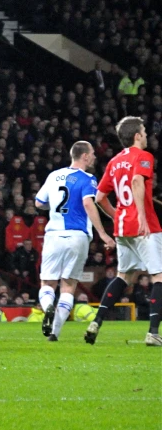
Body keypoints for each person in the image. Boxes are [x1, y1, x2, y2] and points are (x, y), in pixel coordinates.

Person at [89, 117, 162, 346]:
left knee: (125, 275)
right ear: (137, 136)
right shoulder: (143, 156)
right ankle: (152, 332)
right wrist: (140, 214)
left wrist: (117, 215)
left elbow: (100, 198)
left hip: (122, 227)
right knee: (158, 276)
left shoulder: (114, 162)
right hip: (144, 225)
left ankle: (96, 322)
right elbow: (138, 182)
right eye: (144, 131)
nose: (147, 135)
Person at [34, 141, 115, 341]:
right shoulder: (88, 178)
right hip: (78, 236)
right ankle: (54, 333)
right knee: (68, 285)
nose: (95, 156)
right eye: (93, 153)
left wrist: (55, 207)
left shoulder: (53, 176)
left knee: (47, 283)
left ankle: (48, 308)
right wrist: (103, 234)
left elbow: (39, 202)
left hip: (54, 234)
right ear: (85, 156)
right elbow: (88, 203)